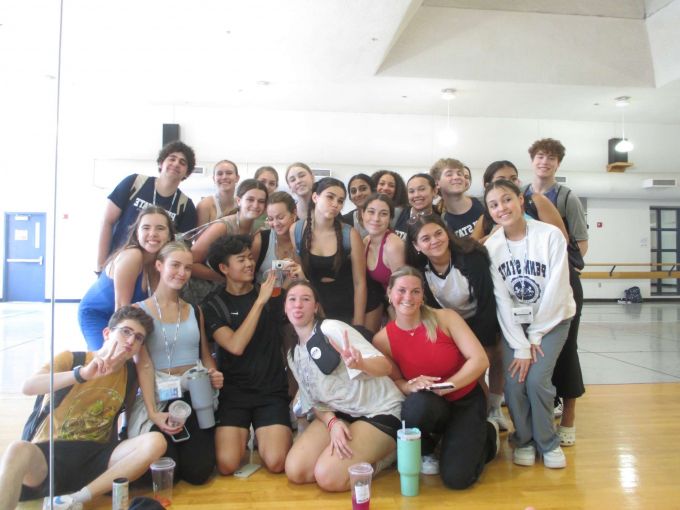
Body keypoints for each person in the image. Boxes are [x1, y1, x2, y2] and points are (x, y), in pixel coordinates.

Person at [0, 306, 166, 509]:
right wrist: (81, 374)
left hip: (95, 457)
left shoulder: (129, 374)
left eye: (138, 338)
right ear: (107, 333)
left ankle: (75, 498)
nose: (131, 340)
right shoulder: (72, 359)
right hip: (50, 452)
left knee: (156, 441)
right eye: (126, 331)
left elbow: (126, 415)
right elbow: (28, 387)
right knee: (17, 449)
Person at [373, 266, 498, 489]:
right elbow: (395, 381)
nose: (408, 297)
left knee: (458, 479)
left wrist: (448, 386)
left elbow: (480, 360)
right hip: (431, 404)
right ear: (390, 294)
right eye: (401, 290)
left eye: (415, 291)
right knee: (414, 406)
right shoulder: (382, 340)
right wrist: (410, 386)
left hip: (465, 399)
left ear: (422, 296)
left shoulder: (446, 318)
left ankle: (487, 436)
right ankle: (428, 449)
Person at [484, 179, 575, 469]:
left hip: (553, 320)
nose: (502, 208)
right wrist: (521, 345)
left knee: (537, 380)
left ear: (521, 201)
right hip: (515, 326)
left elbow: (558, 289)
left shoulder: (550, 235)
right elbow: (501, 301)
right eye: (494, 204)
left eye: (507, 199)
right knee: (515, 382)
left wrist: (535, 336)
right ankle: (523, 440)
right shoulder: (492, 248)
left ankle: (547, 443)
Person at [283, 281, 404, 492]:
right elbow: (314, 403)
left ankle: (388, 456)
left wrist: (361, 364)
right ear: (285, 308)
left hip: (379, 410)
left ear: (316, 307)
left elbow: (385, 366)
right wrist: (332, 424)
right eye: (292, 299)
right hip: (341, 414)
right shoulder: (293, 355)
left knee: (328, 477)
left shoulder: (330, 328)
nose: (298, 305)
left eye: (305, 299)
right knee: (296, 470)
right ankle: (352, 451)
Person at [129, 241, 224, 485]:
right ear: (159, 265)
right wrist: (152, 412)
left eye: (188, 268)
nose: (182, 273)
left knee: (198, 473)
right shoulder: (138, 311)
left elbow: (205, 355)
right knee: (161, 469)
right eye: (175, 265)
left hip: (194, 391)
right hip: (158, 395)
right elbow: (143, 365)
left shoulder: (195, 311)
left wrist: (213, 373)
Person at [201, 235, 292, 476]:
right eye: (241, 260)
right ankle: (247, 437)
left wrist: (298, 279)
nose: (250, 264)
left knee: (275, 462)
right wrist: (260, 302)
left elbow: (289, 337)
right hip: (234, 393)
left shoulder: (273, 295)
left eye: (251, 258)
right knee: (227, 465)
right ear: (224, 268)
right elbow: (234, 345)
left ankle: (263, 436)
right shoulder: (213, 304)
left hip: (271, 391)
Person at [405, 215, 506, 430]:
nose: (434, 241)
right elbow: (432, 311)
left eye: (438, 233)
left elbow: (487, 303)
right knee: (466, 372)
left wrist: (484, 344)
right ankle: (476, 414)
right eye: (425, 238)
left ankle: (493, 408)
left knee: (487, 360)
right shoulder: (419, 268)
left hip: (482, 317)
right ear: (416, 246)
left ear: (447, 233)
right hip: (451, 325)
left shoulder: (471, 256)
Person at [522, 138, 587, 446]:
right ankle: (539, 416)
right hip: (529, 287)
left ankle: (570, 419)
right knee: (534, 352)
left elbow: (581, 244)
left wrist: (561, 272)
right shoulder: (520, 196)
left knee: (566, 350)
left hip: (562, 285)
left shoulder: (566, 197)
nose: (544, 162)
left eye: (550, 158)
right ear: (532, 160)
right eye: (539, 156)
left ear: (558, 163)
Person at [79, 206, 175, 350]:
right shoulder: (132, 256)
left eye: (160, 228)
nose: (153, 233)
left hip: (127, 318)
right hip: (98, 314)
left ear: (169, 235)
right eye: (146, 228)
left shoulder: (159, 265)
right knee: (111, 359)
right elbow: (121, 308)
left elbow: (158, 307)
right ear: (137, 232)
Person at [96, 141, 197, 273]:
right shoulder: (134, 182)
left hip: (152, 272)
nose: (176, 163)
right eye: (172, 159)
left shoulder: (185, 206)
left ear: (186, 173)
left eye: (182, 162)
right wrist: (100, 264)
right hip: (117, 264)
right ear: (161, 163)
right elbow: (107, 221)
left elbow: (180, 248)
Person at [291, 177, 368, 327]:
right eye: (330, 197)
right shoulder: (297, 230)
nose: (335, 204)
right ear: (315, 197)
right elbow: (299, 276)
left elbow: (360, 283)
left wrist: (358, 323)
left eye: (340, 201)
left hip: (344, 303)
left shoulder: (350, 234)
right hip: (312, 304)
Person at [188, 179, 268, 302]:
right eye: (250, 200)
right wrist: (225, 277)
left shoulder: (258, 230)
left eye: (261, 201)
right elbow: (188, 263)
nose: (256, 205)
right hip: (205, 293)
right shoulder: (222, 227)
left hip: (233, 292)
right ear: (239, 200)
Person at [471, 160, 567, 243]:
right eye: (501, 180)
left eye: (513, 178)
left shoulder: (536, 201)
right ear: (488, 185)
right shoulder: (485, 219)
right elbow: (471, 251)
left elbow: (562, 239)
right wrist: (492, 237)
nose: (509, 183)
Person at [361, 193, 405, 331]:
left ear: (390, 218)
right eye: (371, 212)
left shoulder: (393, 245)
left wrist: (396, 321)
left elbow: (403, 290)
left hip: (401, 306)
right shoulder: (366, 241)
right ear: (362, 214)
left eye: (383, 214)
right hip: (384, 303)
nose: (376, 218)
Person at [254, 191, 304, 285]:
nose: (276, 224)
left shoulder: (304, 238)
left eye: (280, 217)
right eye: (270, 219)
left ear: (294, 213)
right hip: (266, 297)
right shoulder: (261, 240)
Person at [430, 158, 484, 238]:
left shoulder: (484, 202)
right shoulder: (443, 223)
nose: (457, 177)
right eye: (449, 174)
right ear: (437, 183)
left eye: (459, 174)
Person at [196, 160, 240, 228]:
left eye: (229, 173)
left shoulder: (241, 203)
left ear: (237, 178)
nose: (224, 177)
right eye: (219, 174)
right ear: (214, 179)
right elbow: (198, 237)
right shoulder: (204, 205)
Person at [371, 170, 409, 237]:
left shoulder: (405, 212)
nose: (385, 188)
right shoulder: (365, 211)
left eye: (391, 185)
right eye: (382, 184)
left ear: (397, 190)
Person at [341, 173, 375, 238]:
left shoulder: (383, 217)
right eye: (353, 191)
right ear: (350, 198)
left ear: (373, 191)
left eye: (363, 189)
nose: (358, 194)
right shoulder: (345, 221)